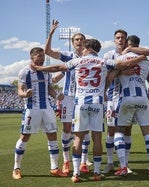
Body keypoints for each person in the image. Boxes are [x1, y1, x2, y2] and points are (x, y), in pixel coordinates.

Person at [31, 38, 147, 182]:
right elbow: (124, 64)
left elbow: (58, 68)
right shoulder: (104, 62)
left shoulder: (78, 61)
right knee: (97, 138)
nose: (83, 49)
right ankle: (97, 172)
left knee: (78, 138)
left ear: (88, 48)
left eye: (84, 47)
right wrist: (142, 56)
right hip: (97, 104)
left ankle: (76, 174)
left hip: (81, 104)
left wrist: (40, 68)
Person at [12, 47, 67, 180]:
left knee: (53, 136)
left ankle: (54, 168)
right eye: (39, 56)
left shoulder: (45, 71)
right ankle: (16, 168)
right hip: (32, 108)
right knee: (25, 137)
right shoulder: (25, 71)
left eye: (43, 56)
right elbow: (19, 91)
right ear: (32, 57)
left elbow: (49, 88)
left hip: (47, 108)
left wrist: (56, 96)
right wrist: (25, 94)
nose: (42, 59)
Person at [44, 19, 92, 175]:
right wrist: (51, 32)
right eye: (77, 40)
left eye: (82, 40)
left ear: (85, 43)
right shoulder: (67, 56)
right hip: (68, 98)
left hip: (84, 97)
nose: (79, 42)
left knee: (85, 129)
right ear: (73, 42)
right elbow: (48, 52)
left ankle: (84, 162)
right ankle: (66, 161)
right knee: (66, 128)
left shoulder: (90, 57)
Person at [102, 29, 149, 174]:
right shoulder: (108, 55)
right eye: (117, 38)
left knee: (127, 130)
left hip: (127, 98)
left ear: (126, 39)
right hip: (112, 97)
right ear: (114, 40)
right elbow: (106, 74)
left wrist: (132, 50)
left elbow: (147, 51)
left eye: (123, 37)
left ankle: (125, 164)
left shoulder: (132, 52)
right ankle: (110, 162)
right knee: (112, 130)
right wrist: (122, 72)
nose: (120, 40)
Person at [111, 35, 149, 176]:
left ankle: (123, 166)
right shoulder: (147, 63)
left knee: (118, 131)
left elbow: (112, 74)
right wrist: (148, 99)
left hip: (126, 98)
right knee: (147, 133)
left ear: (127, 44)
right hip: (142, 98)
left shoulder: (121, 58)